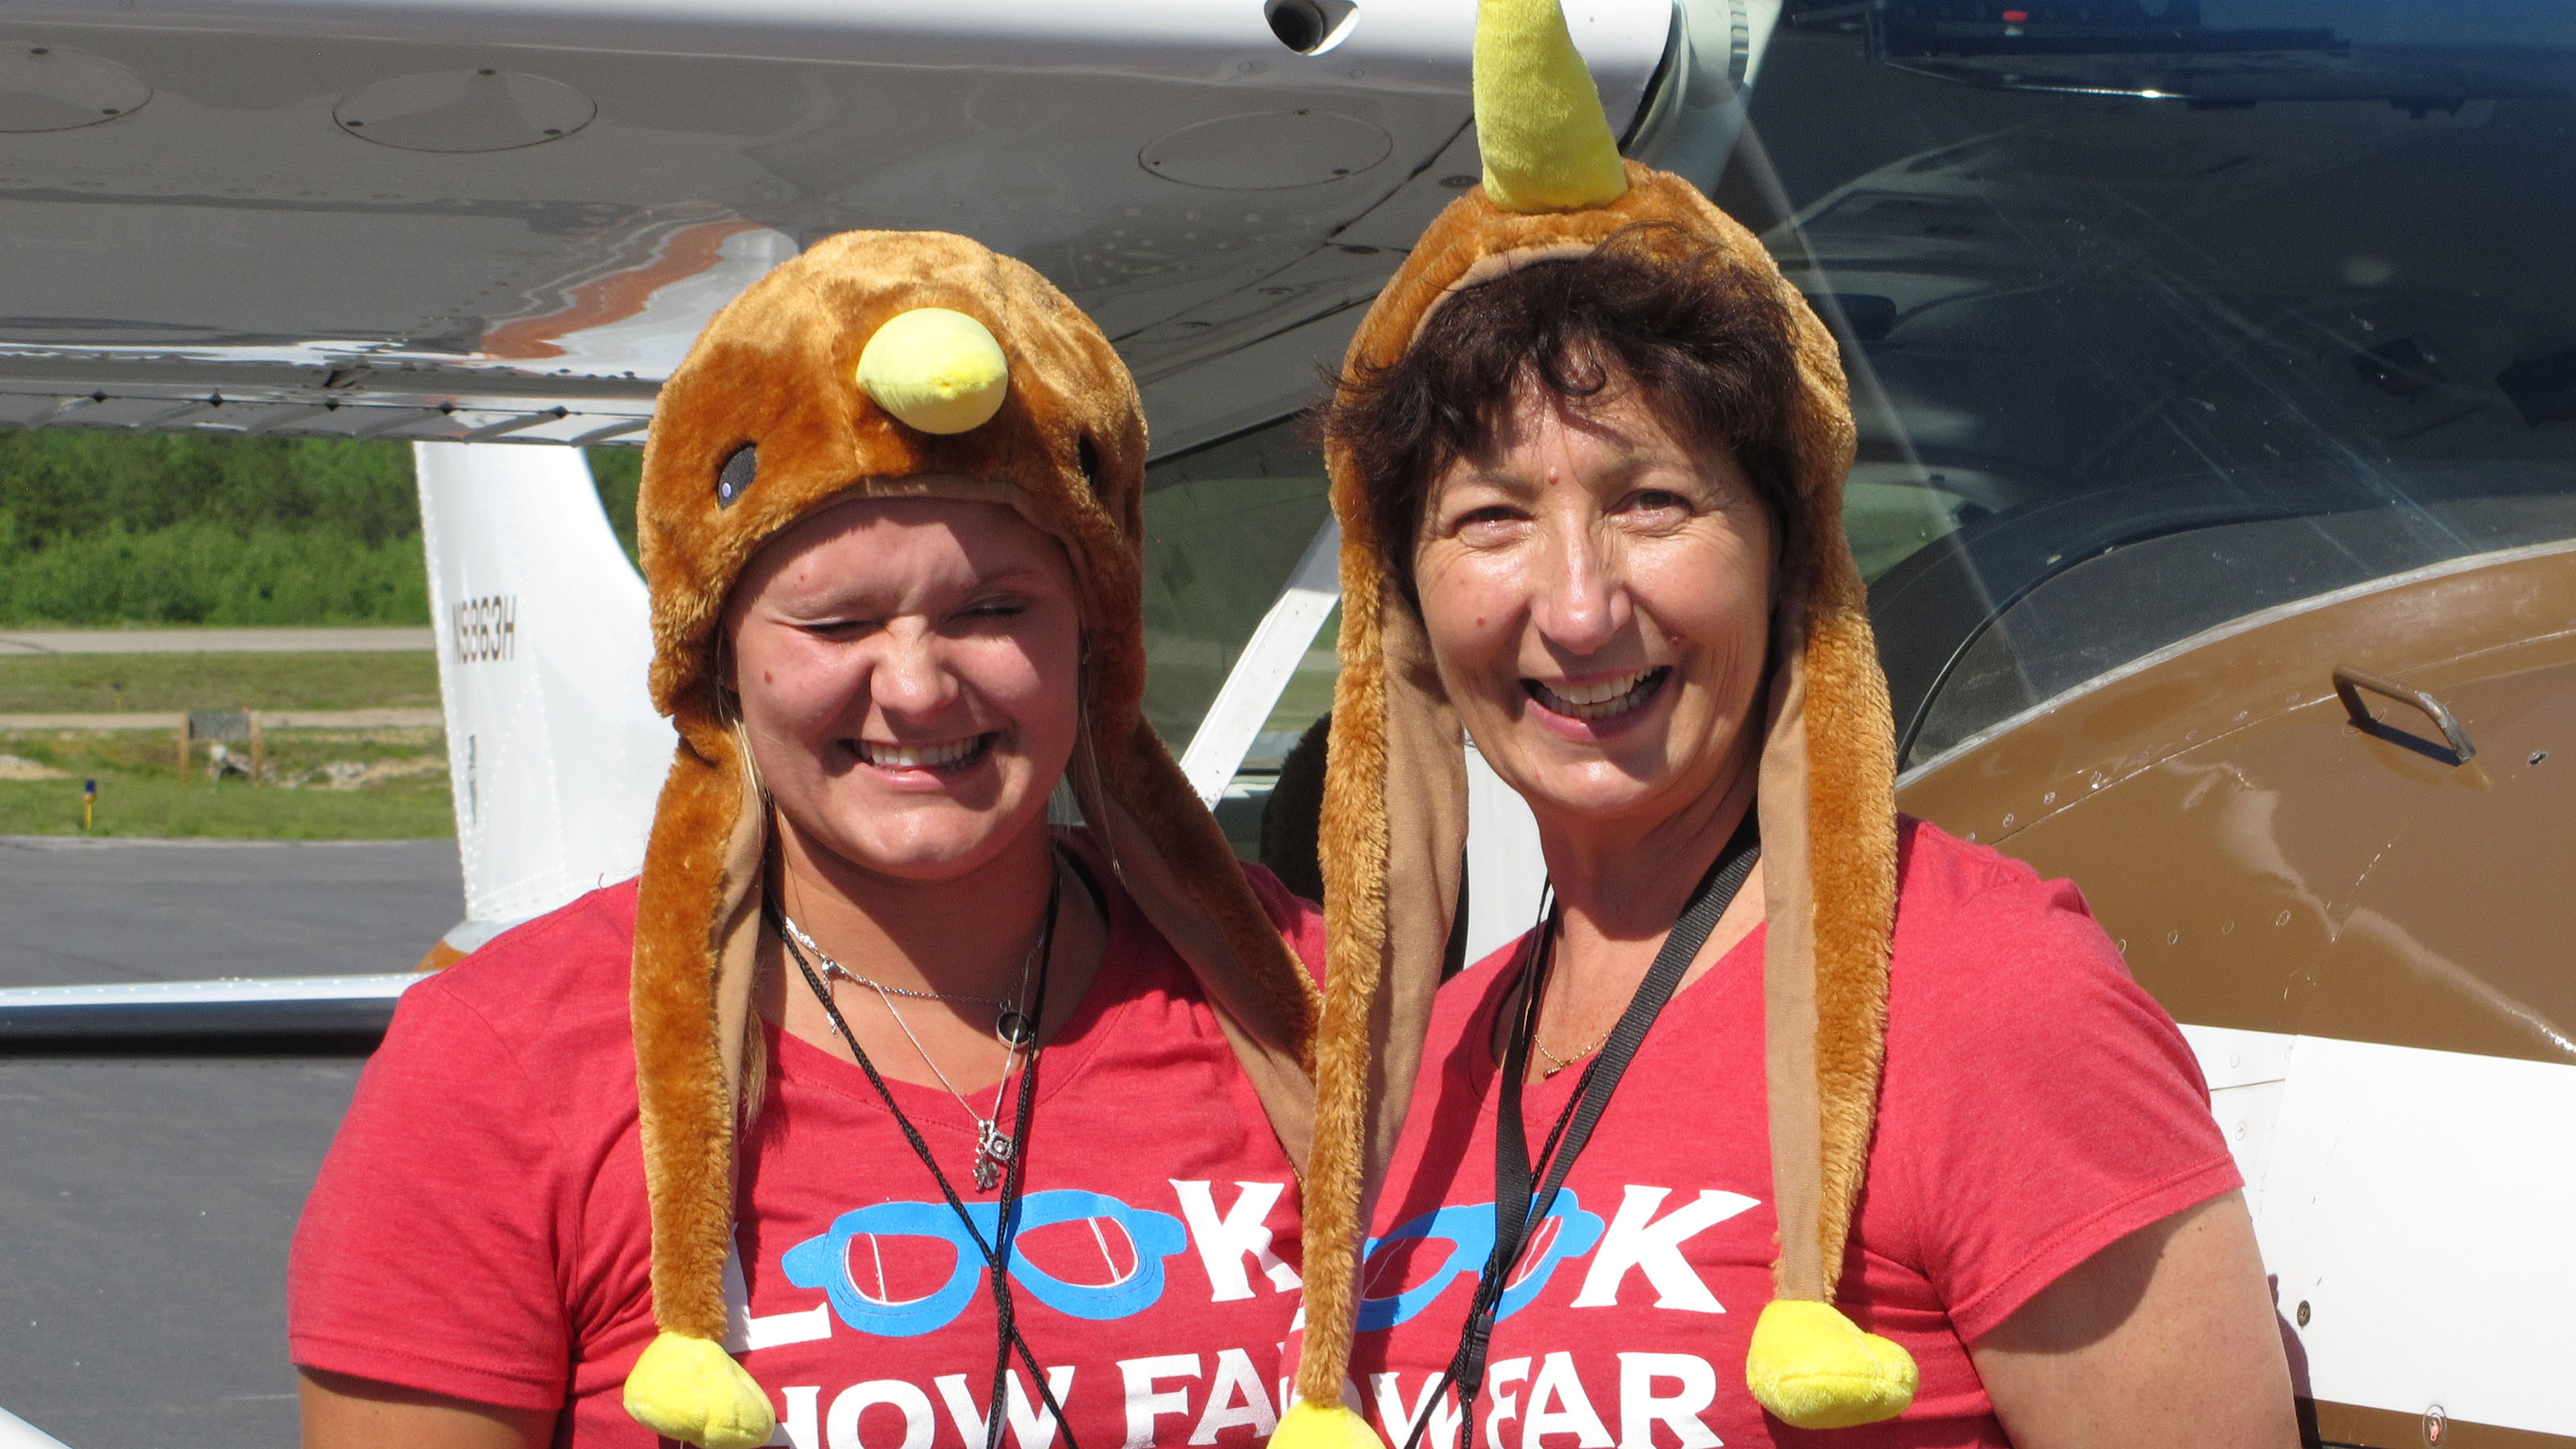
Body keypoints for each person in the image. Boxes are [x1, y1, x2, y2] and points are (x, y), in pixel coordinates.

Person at [1267, 3, 2301, 1447]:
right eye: (1490, 520)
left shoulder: (1992, 998)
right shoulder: (1433, 1061)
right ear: (1412, 606)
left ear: (1785, 551)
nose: (1577, 610)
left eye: (1653, 504)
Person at [291, 233, 1326, 1449]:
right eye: (835, 622)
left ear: (1093, 634)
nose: (920, 689)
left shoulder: (1291, 988)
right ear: (719, 649)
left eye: (995, 610)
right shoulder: (499, 1065)